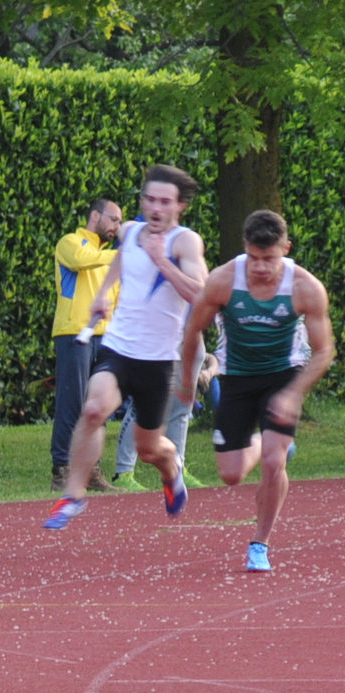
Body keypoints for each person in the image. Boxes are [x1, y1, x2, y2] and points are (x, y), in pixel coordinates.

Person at [47, 165, 207, 530]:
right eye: (149, 199)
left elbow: (201, 294)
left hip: (158, 360)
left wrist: (161, 260)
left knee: (149, 448)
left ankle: (171, 468)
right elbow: (121, 259)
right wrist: (103, 295)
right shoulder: (132, 232)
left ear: (180, 205)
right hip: (119, 348)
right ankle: (72, 495)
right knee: (93, 410)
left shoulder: (185, 242)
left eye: (164, 202)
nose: (155, 208)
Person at [177, 209, 334, 572]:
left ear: (286, 249)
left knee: (274, 463)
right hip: (237, 375)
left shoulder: (305, 287)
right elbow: (193, 331)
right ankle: (266, 441)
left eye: (270, 259)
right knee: (230, 474)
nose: (261, 267)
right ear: (244, 247)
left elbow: (324, 351)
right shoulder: (223, 281)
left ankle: (259, 544)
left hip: (284, 375)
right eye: (254, 258)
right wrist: (187, 383)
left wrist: (293, 394)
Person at [52, 198, 120, 491]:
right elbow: (81, 260)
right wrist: (120, 256)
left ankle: (90, 470)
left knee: (99, 405)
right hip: (73, 333)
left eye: (120, 222)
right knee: (72, 403)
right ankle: (61, 470)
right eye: (114, 219)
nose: (117, 226)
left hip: (105, 338)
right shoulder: (70, 242)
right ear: (95, 216)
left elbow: (116, 298)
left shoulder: (108, 257)